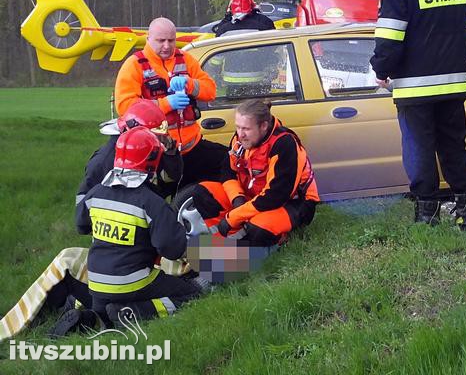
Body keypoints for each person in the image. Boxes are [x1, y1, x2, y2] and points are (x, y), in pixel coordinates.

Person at [369, 0, 466, 229]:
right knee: (453, 146)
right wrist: (454, 52)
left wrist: (381, 68)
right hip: (453, 78)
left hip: (414, 84)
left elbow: (391, 32)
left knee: (418, 150)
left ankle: (427, 216)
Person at [76, 127, 206, 326]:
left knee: (100, 318)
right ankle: (133, 311)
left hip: (96, 281)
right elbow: (173, 250)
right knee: (192, 294)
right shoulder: (151, 202)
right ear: (152, 162)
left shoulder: (95, 193)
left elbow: (81, 225)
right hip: (133, 281)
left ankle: (87, 318)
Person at [114, 17, 228, 190]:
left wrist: (189, 83)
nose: (167, 46)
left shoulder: (186, 60)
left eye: (171, 40)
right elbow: (125, 106)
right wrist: (166, 104)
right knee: (156, 200)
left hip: (192, 147)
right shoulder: (135, 65)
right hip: (158, 153)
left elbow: (210, 91)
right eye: (161, 41)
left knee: (228, 163)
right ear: (148, 39)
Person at [189, 100, 320, 246]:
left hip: (292, 203)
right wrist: (237, 199)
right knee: (202, 192)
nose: (240, 134)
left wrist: (233, 217)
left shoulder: (284, 144)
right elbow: (227, 172)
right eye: (238, 127)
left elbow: (275, 197)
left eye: (246, 129)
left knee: (258, 228)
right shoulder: (241, 139)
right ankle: (230, 243)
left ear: (263, 126)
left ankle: (273, 242)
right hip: (254, 198)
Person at [77, 100, 183, 206]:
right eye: (154, 135)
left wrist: (171, 153)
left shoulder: (150, 148)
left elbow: (172, 178)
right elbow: (83, 203)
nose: (159, 140)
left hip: (149, 211)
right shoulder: (104, 160)